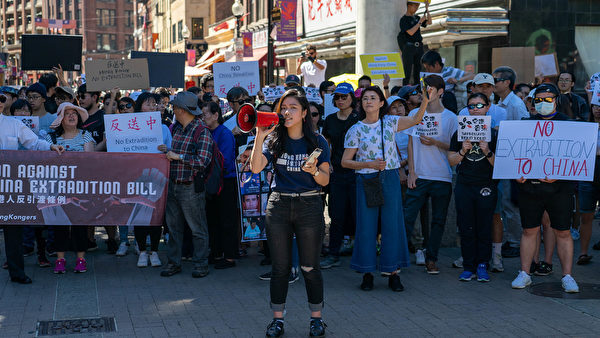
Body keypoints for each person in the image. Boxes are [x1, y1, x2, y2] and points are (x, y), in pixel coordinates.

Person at [250, 89, 330, 337]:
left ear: (305, 112)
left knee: (309, 267)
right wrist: (259, 137)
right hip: (279, 205)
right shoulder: (274, 140)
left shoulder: (318, 141)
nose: (287, 112)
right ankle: (278, 320)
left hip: (309, 206)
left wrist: (314, 171)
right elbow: (255, 168)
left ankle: (316, 319)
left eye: (293, 107)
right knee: (280, 268)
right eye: (284, 108)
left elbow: (325, 180)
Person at [343, 85, 428, 291]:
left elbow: (416, 120)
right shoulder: (355, 129)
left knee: (392, 225)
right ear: (361, 104)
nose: (369, 101)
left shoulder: (390, 122)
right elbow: (345, 162)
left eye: (373, 98)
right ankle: (367, 273)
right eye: (365, 98)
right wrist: (368, 165)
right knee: (366, 226)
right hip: (366, 178)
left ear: (382, 103)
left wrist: (425, 100)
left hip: (389, 176)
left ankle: (393, 273)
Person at [511, 83, 579, 293]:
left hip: (560, 189)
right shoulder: (525, 125)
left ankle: (568, 276)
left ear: (556, 100)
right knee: (529, 230)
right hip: (530, 188)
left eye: (547, 99)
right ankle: (525, 273)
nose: (542, 104)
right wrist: (517, 174)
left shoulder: (569, 125)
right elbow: (516, 156)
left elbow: (575, 158)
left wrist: (560, 175)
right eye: (538, 100)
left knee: (563, 231)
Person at [0, 106, 64, 284]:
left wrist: (51, 146)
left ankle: (17, 273)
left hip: (9, 186)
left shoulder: (13, 124)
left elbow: (34, 143)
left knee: (12, 230)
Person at [403, 75, 458, 274]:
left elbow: (455, 148)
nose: (426, 92)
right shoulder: (416, 113)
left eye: (431, 89)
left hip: (442, 175)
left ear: (441, 91)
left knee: (438, 220)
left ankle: (431, 258)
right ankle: (397, 258)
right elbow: (410, 143)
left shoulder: (452, 118)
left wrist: (435, 142)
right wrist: (411, 171)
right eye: (423, 89)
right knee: (407, 217)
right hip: (419, 174)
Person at [161, 92, 213, 278]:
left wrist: (178, 156)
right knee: (173, 228)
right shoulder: (176, 128)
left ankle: (201, 264)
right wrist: (167, 151)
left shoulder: (201, 130)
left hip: (190, 186)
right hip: (174, 184)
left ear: (182, 110)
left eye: (175, 107)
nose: (172, 109)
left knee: (197, 228)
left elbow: (203, 161)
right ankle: (174, 263)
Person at [448, 93, 498, 282]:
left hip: (486, 185)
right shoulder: (459, 133)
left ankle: (483, 264)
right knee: (466, 226)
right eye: (471, 106)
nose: (475, 109)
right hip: (464, 185)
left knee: (484, 226)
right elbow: (451, 160)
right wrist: (463, 150)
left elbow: (501, 165)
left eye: (479, 105)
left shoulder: (494, 134)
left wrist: (487, 151)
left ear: (488, 107)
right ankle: (469, 265)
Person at [46, 102, 95, 273]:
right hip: (57, 188)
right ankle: (60, 260)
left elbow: (90, 160)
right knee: (59, 223)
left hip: (80, 188)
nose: (72, 116)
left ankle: (80, 259)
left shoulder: (86, 135)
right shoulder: (49, 138)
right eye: (67, 113)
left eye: (75, 113)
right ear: (60, 118)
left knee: (79, 223)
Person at [320, 83, 360, 269]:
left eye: (344, 96)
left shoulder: (360, 118)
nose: (341, 100)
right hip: (337, 173)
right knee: (336, 215)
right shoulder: (329, 119)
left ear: (352, 98)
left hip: (358, 172)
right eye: (337, 97)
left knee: (359, 214)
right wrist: (327, 165)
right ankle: (333, 253)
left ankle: (362, 253)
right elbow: (325, 144)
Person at [132, 92, 172, 268]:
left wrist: (166, 149)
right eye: (148, 104)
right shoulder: (130, 126)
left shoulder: (163, 128)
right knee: (140, 214)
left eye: (155, 104)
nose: (152, 107)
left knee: (156, 215)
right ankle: (141, 251)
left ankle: (154, 251)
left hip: (157, 177)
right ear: (140, 106)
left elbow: (171, 150)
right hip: (136, 176)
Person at [492, 66, 529, 258]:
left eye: (496, 80)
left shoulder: (516, 105)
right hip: (499, 159)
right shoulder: (497, 102)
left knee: (510, 203)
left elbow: (523, 134)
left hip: (512, 161)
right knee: (502, 203)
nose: (493, 83)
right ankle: (508, 239)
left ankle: (515, 241)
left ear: (507, 83)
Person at [201, 101, 239, 270]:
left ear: (216, 115)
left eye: (205, 115)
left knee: (227, 220)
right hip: (210, 181)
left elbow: (224, 160)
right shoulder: (205, 132)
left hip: (226, 181)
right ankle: (216, 253)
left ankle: (230, 256)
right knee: (213, 219)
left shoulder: (224, 133)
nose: (203, 118)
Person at [577, 103, 600, 265]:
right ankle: (583, 253)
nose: (598, 109)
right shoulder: (585, 127)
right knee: (586, 215)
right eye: (595, 106)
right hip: (587, 176)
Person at [398, 0, 432, 85]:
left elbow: (429, 22)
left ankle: (417, 89)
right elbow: (410, 32)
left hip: (419, 46)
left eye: (418, 6)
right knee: (407, 71)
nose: (416, 8)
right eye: (415, 6)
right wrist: (420, 22)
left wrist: (427, 9)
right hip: (408, 47)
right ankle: (405, 89)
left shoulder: (417, 17)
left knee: (418, 70)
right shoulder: (404, 19)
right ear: (409, 5)